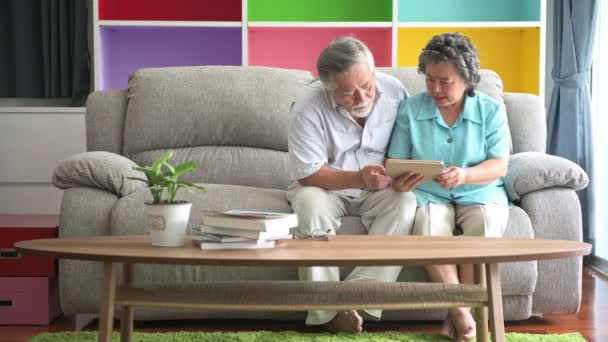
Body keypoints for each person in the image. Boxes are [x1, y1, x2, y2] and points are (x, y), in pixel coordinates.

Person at [287, 37, 421, 333]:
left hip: (378, 187)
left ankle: (355, 300)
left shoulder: (396, 91)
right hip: (325, 186)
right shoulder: (308, 107)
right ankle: (326, 313)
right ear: (329, 89)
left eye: (367, 86)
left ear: (373, 72)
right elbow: (307, 173)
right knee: (309, 204)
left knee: (406, 203)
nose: (361, 97)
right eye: (348, 93)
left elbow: (411, 140)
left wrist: (405, 173)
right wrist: (359, 178)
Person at [388, 32, 510, 342]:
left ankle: (457, 315)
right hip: (430, 193)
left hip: (480, 190)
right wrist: (401, 180)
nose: (436, 89)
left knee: (483, 225)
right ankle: (462, 313)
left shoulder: (491, 111)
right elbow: (396, 162)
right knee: (428, 228)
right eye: (430, 79)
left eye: (446, 81)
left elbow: (500, 164)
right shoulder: (410, 109)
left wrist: (466, 175)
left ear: (467, 79)